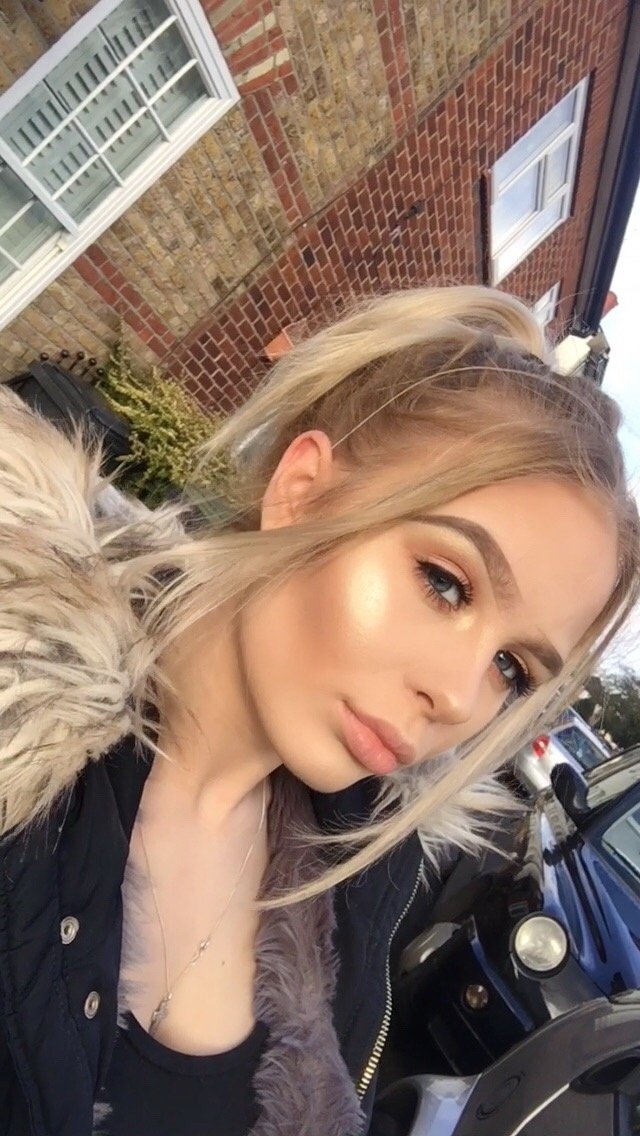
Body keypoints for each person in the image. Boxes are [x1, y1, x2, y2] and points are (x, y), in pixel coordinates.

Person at [0, 285, 636, 1136]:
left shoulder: (362, 890)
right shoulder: (17, 710)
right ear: (301, 491)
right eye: (445, 583)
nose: (457, 697)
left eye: (511, 668)